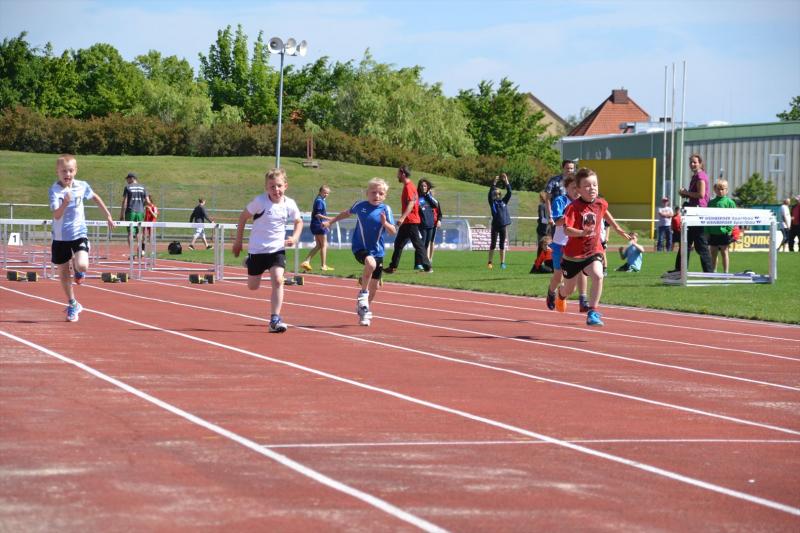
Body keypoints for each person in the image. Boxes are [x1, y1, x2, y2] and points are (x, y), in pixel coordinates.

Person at [555, 167, 630, 327]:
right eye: (587, 186)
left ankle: (593, 312)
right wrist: (582, 232)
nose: (592, 188)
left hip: (592, 251)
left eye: (595, 185)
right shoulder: (573, 207)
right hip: (573, 256)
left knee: (598, 275)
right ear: (578, 189)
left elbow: (605, 212)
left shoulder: (600, 203)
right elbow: (567, 230)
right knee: (570, 289)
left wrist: (617, 228)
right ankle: (561, 294)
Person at [232, 168, 303, 333]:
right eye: (272, 186)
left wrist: (294, 237)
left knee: (278, 280)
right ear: (266, 188)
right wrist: (238, 241)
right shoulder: (260, 201)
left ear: (285, 186)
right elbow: (243, 217)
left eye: (279, 186)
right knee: (253, 286)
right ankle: (249, 262)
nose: (276, 190)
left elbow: (298, 221)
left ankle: (274, 319)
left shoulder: (289, 204)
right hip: (257, 250)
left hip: (277, 249)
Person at [49, 154, 115, 321]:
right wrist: (65, 202)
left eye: (70, 171)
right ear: (57, 172)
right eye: (64, 171)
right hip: (60, 238)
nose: (67, 174)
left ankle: (78, 270)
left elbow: (95, 198)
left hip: (79, 233)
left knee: (82, 265)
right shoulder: (55, 190)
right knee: (63, 272)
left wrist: (108, 215)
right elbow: (56, 215)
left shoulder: (82, 186)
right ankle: (73, 304)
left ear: (75, 171)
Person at [323, 178, 397, 326]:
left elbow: (393, 231)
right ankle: (363, 293)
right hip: (360, 248)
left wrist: (385, 223)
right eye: (373, 192)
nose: (376, 196)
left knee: (375, 286)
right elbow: (346, 213)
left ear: (385, 195)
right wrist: (331, 221)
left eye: (380, 193)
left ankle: (363, 310)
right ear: (367, 193)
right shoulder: (360, 205)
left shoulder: (386, 209)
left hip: (378, 251)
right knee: (370, 263)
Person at [545, 174, 588, 312]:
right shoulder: (560, 201)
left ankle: (583, 299)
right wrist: (571, 215)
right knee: (558, 276)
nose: (576, 191)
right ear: (566, 188)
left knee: (581, 271)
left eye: (578, 187)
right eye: (573, 187)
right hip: (560, 244)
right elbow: (557, 222)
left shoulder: (584, 202)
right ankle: (551, 292)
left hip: (577, 244)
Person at [670, 154, 712, 274]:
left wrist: (686, 193)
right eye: (691, 162)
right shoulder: (696, 176)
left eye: (695, 162)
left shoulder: (700, 176)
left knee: (699, 244)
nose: (692, 164)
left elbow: (701, 195)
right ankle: (680, 270)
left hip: (698, 213)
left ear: (700, 163)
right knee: (686, 242)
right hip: (694, 211)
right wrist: (686, 194)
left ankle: (708, 272)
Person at [385, 165, 431, 273]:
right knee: (398, 244)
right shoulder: (409, 186)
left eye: (398, 173)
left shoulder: (409, 187)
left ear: (403, 174)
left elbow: (411, 203)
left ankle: (428, 266)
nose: (397, 175)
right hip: (408, 221)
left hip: (411, 221)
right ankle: (393, 267)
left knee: (417, 244)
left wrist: (402, 217)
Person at [704, 179, 737, 273]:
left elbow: (734, 217)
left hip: (724, 232)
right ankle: (713, 271)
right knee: (713, 253)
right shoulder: (711, 203)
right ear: (715, 190)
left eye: (722, 189)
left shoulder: (730, 202)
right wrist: (707, 231)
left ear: (727, 190)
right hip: (713, 232)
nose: (720, 191)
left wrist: (729, 230)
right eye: (718, 189)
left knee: (724, 252)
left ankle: (726, 272)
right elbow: (707, 218)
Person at [301, 185, 334, 272]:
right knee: (324, 245)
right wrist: (329, 219)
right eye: (324, 193)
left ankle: (306, 261)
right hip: (319, 225)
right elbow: (318, 215)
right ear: (320, 192)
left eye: (327, 193)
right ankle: (323, 265)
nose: (326, 194)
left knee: (319, 245)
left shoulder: (320, 200)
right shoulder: (319, 201)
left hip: (316, 225)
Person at [487, 173, 512, 269]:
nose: (497, 195)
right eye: (495, 194)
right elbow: (489, 194)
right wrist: (494, 183)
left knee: (502, 244)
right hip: (495, 226)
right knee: (493, 244)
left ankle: (502, 263)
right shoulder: (492, 203)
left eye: (499, 194)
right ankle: (490, 262)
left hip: (503, 226)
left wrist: (506, 181)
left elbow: (509, 192)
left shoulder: (504, 202)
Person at [120, 172, 150, 251]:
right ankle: (140, 249)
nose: (127, 181)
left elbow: (124, 201)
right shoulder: (143, 187)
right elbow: (148, 201)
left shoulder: (127, 187)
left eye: (128, 179)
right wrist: (142, 205)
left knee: (130, 232)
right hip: (140, 212)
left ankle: (132, 252)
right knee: (139, 232)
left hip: (130, 211)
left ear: (132, 178)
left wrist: (122, 214)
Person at [544, 160, 576, 228]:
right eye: (567, 168)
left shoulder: (577, 181)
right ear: (563, 168)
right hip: (557, 214)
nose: (569, 170)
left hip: (571, 214)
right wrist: (550, 216)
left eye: (571, 168)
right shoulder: (554, 180)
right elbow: (547, 199)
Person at [417, 178, 440, 266]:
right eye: (422, 186)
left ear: (428, 187)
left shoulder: (429, 198)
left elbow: (436, 205)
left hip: (430, 225)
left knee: (427, 244)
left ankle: (424, 262)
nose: (423, 188)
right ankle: (420, 263)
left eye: (425, 186)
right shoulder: (418, 198)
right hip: (421, 225)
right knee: (422, 244)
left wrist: (428, 195)